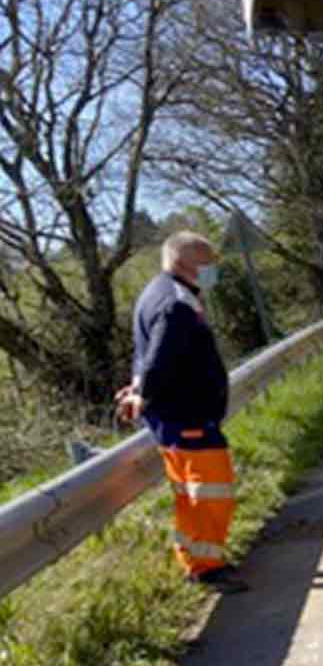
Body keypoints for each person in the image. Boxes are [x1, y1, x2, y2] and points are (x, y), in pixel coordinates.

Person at [118, 231, 247, 595]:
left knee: (191, 496)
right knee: (210, 495)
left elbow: (145, 353)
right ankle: (205, 566)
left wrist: (139, 389)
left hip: (173, 416)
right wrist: (143, 392)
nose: (213, 271)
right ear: (185, 263)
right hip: (188, 417)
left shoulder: (155, 293)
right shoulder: (176, 302)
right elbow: (160, 355)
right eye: (209, 264)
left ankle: (196, 559)